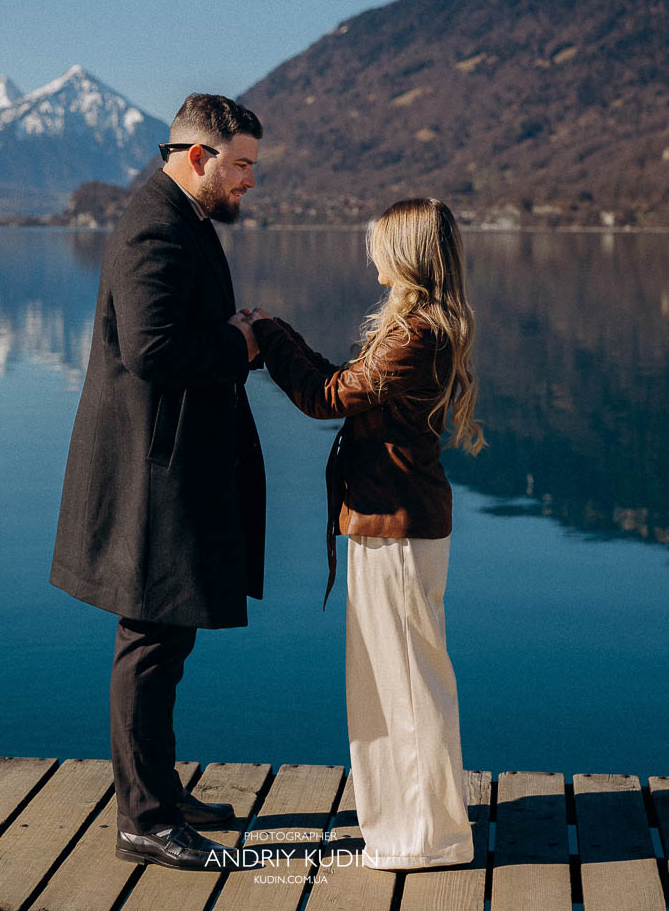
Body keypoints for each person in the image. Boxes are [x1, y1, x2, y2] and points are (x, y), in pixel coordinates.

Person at [50, 93, 265, 871]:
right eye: (240, 164)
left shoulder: (181, 218)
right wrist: (236, 343)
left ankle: (160, 793)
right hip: (148, 473)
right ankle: (142, 820)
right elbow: (153, 351)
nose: (248, 181)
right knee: (148, 637)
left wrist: (232, 337)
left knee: (165, 636)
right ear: (198, 155)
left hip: (165, 464)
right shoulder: (154, 223)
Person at [241, 197, 484, 871]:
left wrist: (269, 335)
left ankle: (426, 841)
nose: (369, 256)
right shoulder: (422, 328)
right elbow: (344, 384)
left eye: (377, 244)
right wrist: (280, 335)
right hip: (398, 525)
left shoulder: (416, 336)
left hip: (397, 531)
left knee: (403, 685)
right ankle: (411, 827)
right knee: (401, 682)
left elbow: (328, 397)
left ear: (404, 253)